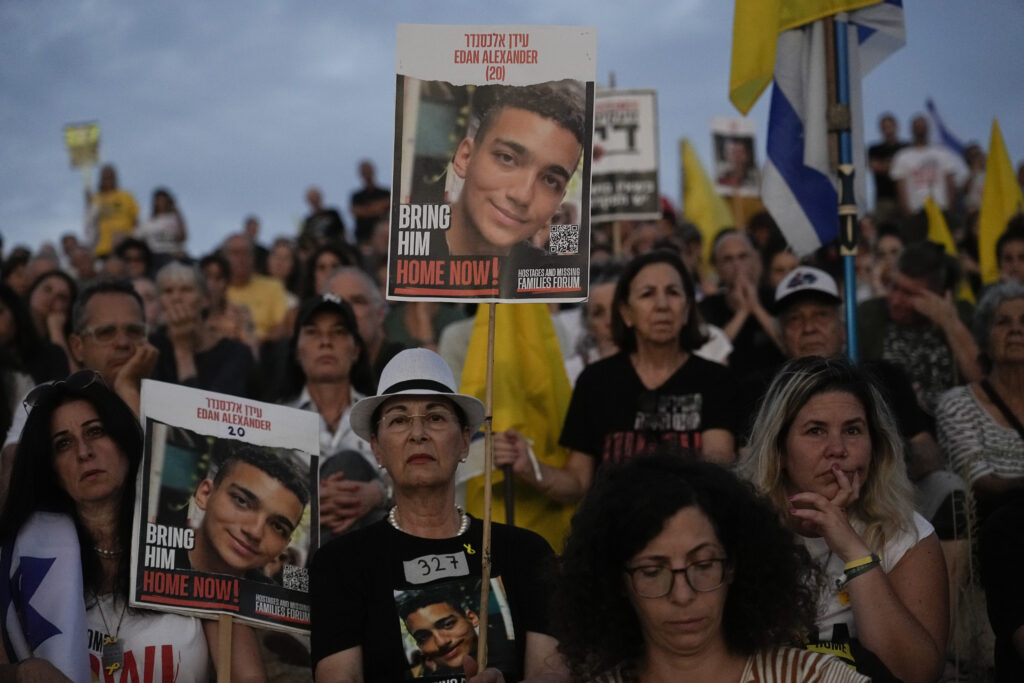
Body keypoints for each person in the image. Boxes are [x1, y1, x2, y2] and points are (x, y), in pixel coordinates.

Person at [310, 348, 565, 682]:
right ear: (376, 448)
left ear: (463, 442)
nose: (418, 434)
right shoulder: (341, 563)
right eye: (399, 420)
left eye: (435, 418)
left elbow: (554, 674)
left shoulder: (525, 553)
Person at [0, 371, 265, 681]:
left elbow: (248, 677)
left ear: (124, 440)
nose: (84, 452)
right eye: (63, 444)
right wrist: (22, 674)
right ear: (51, 470)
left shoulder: (194, 547)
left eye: (96, 431)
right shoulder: (22, 564)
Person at [554, 454, 866, 683]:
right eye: (652, 571)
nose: (683, 594)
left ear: (733, 567)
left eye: (703, 565)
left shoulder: (816, 679)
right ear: (618, 582)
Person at [742, 356, 948, 682]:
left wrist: (854, 551)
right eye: (815, 431)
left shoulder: (907, 533)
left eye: (853, 430)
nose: (837, 449)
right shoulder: (738, 529)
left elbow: (917, 674)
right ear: (779, 448)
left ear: (875, 446)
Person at [496, 251, 738, 505]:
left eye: (673, 293)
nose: (662, 305)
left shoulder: (716, 380)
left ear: (687, 309)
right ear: (626, 313)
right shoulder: (596, 382)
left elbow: (717, 471)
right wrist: (529, 466)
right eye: (647, 294)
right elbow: (578, 482)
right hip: (615, 537)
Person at [934, 281, 1024, 681]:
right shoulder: (958, 403)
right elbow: (981, 479)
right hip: (1000, 521)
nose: (1016, 330)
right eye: (1003, 322)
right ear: (984, 335)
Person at [441, 81, 585, 258]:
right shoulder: (414, 236)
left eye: (550, 180)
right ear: (465, 156)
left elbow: (564, 259)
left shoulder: (569, 213)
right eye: (506, 158)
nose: (523, 196)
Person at [285, 294, 386, 541]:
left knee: (374, 515)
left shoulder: (384, 416)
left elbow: (415, 481)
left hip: (371, 545)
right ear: (297, 351)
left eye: (339, 332)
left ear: (356, 350)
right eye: (313, 332)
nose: (326, 342)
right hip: (297, 549)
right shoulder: (274, 421)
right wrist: (310, 504)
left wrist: (379, 493)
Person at [858, 241, 981, 413]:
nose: (895, 300)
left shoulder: (966, 315)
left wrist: (950, 323)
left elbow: (982, 381)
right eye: (893, 287)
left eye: (909, 293)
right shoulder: (869, 315)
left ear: (939, 295)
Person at [187, 445, 309, 579]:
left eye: (278, 527)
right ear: (205, 494)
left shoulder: (276, 595)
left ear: (285, 544)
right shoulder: (162, 549)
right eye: (241, 501)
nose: (255, 532)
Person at [149, 261, 256, 397]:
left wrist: (183, 351)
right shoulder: (150, 348)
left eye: (186, 289)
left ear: (205, 299)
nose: (176, 298)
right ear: (159, 301)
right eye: (168, 291)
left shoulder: (236, 353)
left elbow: (207, 414)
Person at [698, 230, 785, 383]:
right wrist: (742, 312)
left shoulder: (776, 298)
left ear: (756, 260)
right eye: (728, 259)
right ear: (717, 267)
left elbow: (788, 344)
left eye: (743, 257)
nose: (737, 265)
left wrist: (757, 308)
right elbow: (708, 355)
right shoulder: (706, 307)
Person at [324, 266, 405, 384]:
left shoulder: (404, 365)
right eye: (337, 302)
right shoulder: (313, 371)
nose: (347, 311)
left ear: (380, 313)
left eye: (357, 301)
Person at [222, 233, 290, 342]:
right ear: (223, 258)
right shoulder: (215, 290)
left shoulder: (273, 286)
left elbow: (281, 326)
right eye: (235, 253)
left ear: (253, 257)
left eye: (246, 253)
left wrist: (257, 343)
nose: (241, 258)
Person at [85, 164, 138, 258]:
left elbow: (136, 220)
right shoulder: (95, 199)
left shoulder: (126, 196)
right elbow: (90, 224)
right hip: (102, 249)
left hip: (124, 247)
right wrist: (88, 203)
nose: (108, 179)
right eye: (105, 177)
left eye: (111, 176)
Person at [867, 113, 907, 223]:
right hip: (883, 199)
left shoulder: (905, 147)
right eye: (885, 127)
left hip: (904, 198)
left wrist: (886, 165)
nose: (888, 130)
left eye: (890, 126)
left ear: (896, 127)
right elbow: (874, 166)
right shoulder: (875, 149)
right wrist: (899, 165)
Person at [135, 187, 187, 267]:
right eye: (158, 200)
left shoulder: (174, 218)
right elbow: (137, 237)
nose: (161, 203)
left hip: (172, 254)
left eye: (163, 200)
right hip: (153, 255)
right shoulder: (147, 222)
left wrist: (179, 215)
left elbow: (183, 237)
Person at [350, 160, 391, 247]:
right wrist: (378, 208)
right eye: (364, 171)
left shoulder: (385, 192)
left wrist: (366, 209)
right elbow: (356, 211)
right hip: (364, 238)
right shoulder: (356, 196)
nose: (367, 173)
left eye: (368, 170)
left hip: (384, 238)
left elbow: (389, 204)